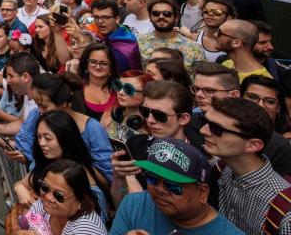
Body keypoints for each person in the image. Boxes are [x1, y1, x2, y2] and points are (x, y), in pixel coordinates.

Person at [110, 137, 243, 235]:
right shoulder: (134, 205)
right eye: (152, 179)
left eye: (173, 186)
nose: (160, 190)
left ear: (202, 192)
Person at [200, 97, 291, 235]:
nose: (203, 130)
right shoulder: (222, 167)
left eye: (216, 129)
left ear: (252, 145)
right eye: (206, 122)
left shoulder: (284, 213)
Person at [15, 73, 114, 183]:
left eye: (44, 106)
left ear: (63, 103)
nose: (40, 111)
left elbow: (108, 177)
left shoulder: (92, 128)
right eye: (40, 137)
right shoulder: (38, 115)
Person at [12, 111, 110, 221]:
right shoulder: (49, 162)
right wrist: (19, 188)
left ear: (65, 138)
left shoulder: (78, 173)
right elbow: (22, 183)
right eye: (39, 137)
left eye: (48, 138)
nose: (42, 143)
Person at [111, 80, 201, 195]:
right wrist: (119, 180)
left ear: (183, 118)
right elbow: (119, 203)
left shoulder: (198, 155)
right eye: (145, 112)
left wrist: (138, 199)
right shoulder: (135, 143)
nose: (150, 120)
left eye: (160, 115)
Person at [16, 159, 108, 235]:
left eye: (58, 195)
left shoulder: (87, 230)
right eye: (44, 187)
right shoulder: (42, 206)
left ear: (80, 201)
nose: (48, 197)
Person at [136, 0, 203, 69]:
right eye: (156, 13)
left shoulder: (194, 48)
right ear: (150, 17)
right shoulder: (138, 41)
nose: (161, 17)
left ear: (176, 18)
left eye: (167, 14)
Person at [88, 0, 141, 73]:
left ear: (117, 19)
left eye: (106, 17)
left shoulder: (122, 50)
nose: (100, 21)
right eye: (96, 17)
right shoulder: (118, 31)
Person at [102, 70, 152, 142]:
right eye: (118, 85)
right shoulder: (109, 113)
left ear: (146, 94)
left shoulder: (153, 124)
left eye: (128, 89)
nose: (120, 92)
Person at [78, 42, 118, 121]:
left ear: (111, 67)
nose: (98, 67)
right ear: (86, 64)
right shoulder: (76, 88)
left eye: (104, 63)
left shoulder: (119, 90)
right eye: (93, 62)